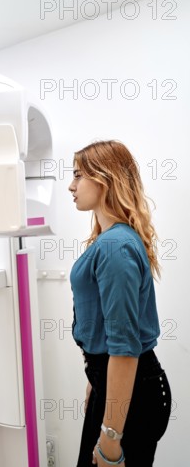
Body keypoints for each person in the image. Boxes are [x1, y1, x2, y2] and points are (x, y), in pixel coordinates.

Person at [68, 139, 172, 467]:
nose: (71, 186)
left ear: (104, 179)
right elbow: (105, 324)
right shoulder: (111, 240)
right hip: (116, 385)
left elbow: (124, 348)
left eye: (78, 176)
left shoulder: (115, 247)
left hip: (135, 394)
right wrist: (95, 381)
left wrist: (111, 437)